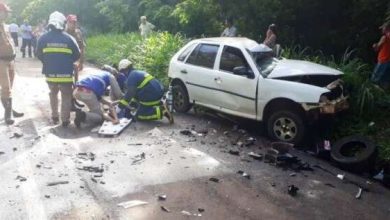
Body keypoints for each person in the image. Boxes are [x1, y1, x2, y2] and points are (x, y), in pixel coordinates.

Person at [36, 11, 80, 127]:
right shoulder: (69, 38)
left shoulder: (42, 38)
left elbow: (38, 54)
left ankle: (54, 116)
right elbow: (77, 54)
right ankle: (65, 120)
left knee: (53, 93)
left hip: (50, 74)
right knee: (66, 95)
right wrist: (68, 61)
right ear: (63, 23)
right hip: (65, 74)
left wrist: (48, 62)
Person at [116, 59, 173, 124]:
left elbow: (129, 94)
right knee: (140, 107)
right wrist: (133, 104)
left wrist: (119, 107)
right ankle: (158, 105)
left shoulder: (131, 77)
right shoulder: (136, 73)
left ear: (125, 70)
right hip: (156, 92)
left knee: (139, 116)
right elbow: (135, 93)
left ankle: (162, 111)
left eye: (122, 72)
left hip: (152, 94)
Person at [0, 3, 23, 125]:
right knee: (6, 87)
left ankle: (10, 110)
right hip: (1, 61)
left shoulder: (6, 26)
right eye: (5, 12)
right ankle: (8, 114)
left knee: (9, 87)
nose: (7, 14)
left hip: (10, 60)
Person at [371, 22, 390, 88]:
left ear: (386, 28)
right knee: (386, 80)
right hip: (389, 60)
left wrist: (374, 46)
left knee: (374, 79)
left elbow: (377, 48)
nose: (382, 30)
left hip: (383, 60)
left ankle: (374, 94)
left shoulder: (384, 37)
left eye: (383, 28)